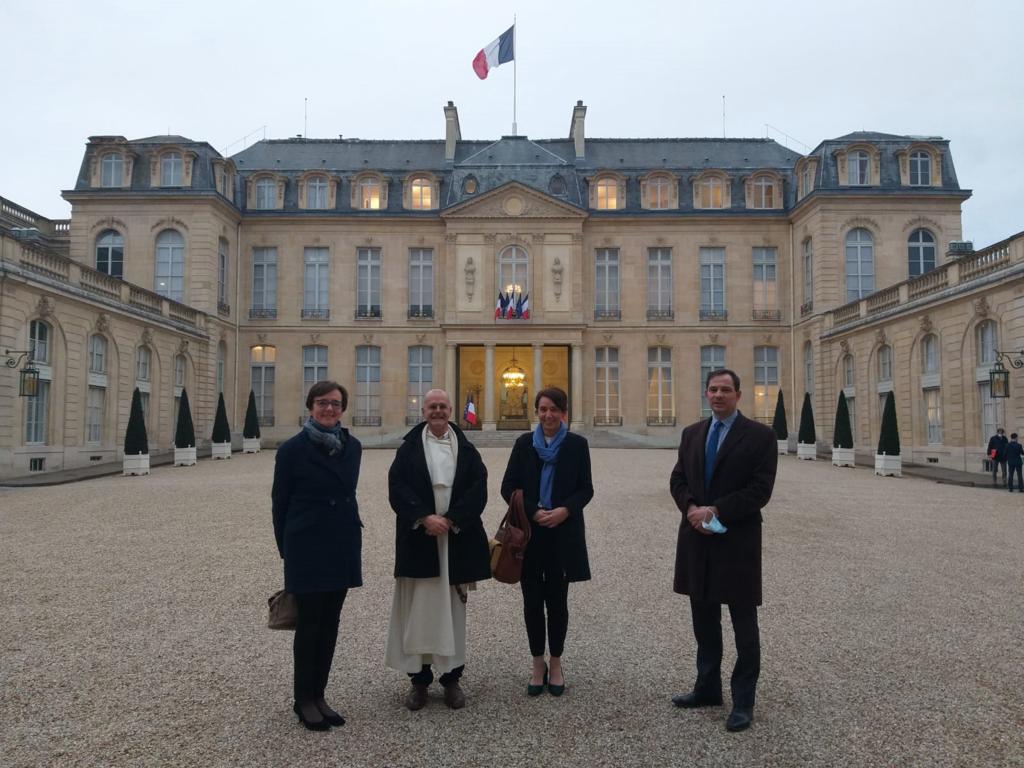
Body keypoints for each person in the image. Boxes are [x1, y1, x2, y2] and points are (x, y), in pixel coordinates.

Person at [669, 369, 778, 733]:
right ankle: (707, 688)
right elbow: (678, 479)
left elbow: (760, 490)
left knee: (744, 626)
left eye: (725, 390)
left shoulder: (761, 436)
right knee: (703, 620)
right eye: (713, 389)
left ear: (738, 395)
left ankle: (743, 701)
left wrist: (715, 511)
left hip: (736, 541)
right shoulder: (692, 433)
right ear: (706, 393)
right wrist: (690, 508)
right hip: (697, 538)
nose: (718, 395)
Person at [385, 388, 491, 710]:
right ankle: (419, 681)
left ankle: (452, 678)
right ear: (424, 411)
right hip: (420, 539)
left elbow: (478, 488)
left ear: (451, 410)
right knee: (418, 611)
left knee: (453, 611)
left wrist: (452, 519)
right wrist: (424, 517)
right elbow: (397, 487)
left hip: (455, 539)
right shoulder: (408, 449)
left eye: (443, 406)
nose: (438, 411)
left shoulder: (467, 449)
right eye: (432, 406)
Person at [272, 381, 362, 731]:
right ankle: (303, 699)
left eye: (335, 404)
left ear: (343, 409)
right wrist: (288, 551)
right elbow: (280, 505)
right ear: (310, 407)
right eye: (322, 403)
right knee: (309, 625)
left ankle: (320, 694)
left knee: (330, 623)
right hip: (307, 546)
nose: (329, 409)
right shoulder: (292, 450)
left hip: (341, 542)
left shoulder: (352, 447)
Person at [501, 387, 593, 697]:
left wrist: (565, 510)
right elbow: (508, 487)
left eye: (554, 409)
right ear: (537, 412)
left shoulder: (577, 445)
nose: (548, 415)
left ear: (564, 413)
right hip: (530, 534)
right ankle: (537, 663)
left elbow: (586, 489)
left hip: (562, 533)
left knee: (557, 601)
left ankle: (556, 663)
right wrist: (534, 511)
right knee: (531, 602)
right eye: (543, 409)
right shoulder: (524, 444)